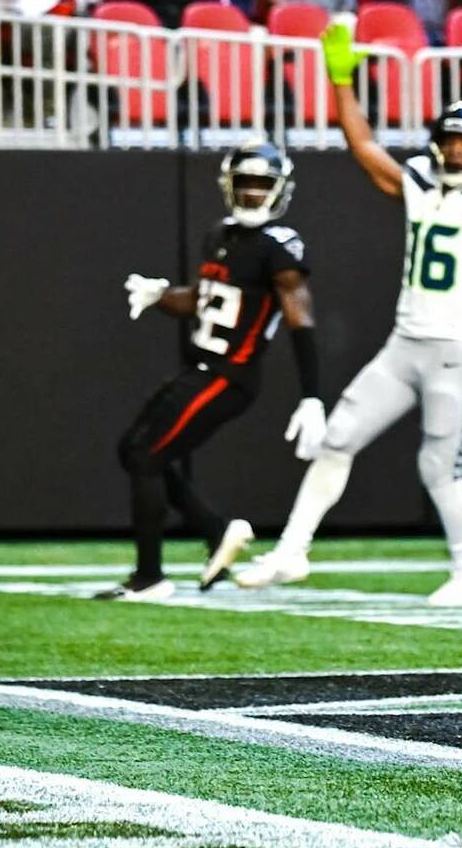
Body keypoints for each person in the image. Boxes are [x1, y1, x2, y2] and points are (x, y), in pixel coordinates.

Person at [235, 26, 462, 605]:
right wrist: (340, 80)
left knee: (439, 469)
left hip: (453, 350)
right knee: (337, 439)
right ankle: (291, 551)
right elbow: (364, 149)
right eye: (451, 140)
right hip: (404, 343)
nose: (457, 150)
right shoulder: (418, 183)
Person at [106, 144, 319, 600]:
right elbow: (202, 300)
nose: (252, 193)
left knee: (146, 455)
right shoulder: (220, 234)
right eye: (245, 183)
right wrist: (162, 296)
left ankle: (150, 576)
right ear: (228, 185)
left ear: (280, 190)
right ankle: (215, 530)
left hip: (229, 375)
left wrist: (312, 396)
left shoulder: (279, 248)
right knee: (133, 450)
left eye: (262, 184)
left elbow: (301, 322)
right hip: (203, 368)